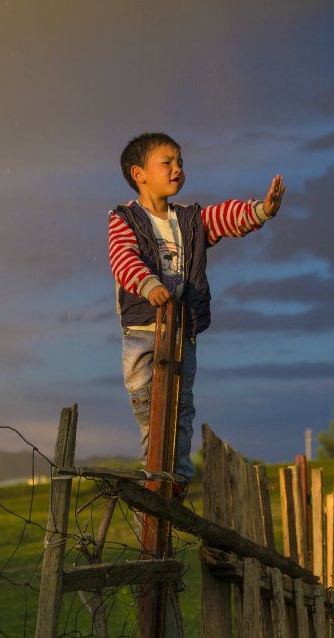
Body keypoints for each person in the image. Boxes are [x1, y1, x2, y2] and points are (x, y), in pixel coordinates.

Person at [108, 132, 286, 495]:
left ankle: (178, 481)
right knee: (151, 415)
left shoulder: (189, 219)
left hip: (182, 333)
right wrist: (149, 285)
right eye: (167, 162)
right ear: (139, 174)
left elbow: (225, 217)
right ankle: (153, 485)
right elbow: (122, 258)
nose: (178, 169)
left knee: (181, 409)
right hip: (143, 332)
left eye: (181, 163)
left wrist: (261, 210)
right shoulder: (124, 218)